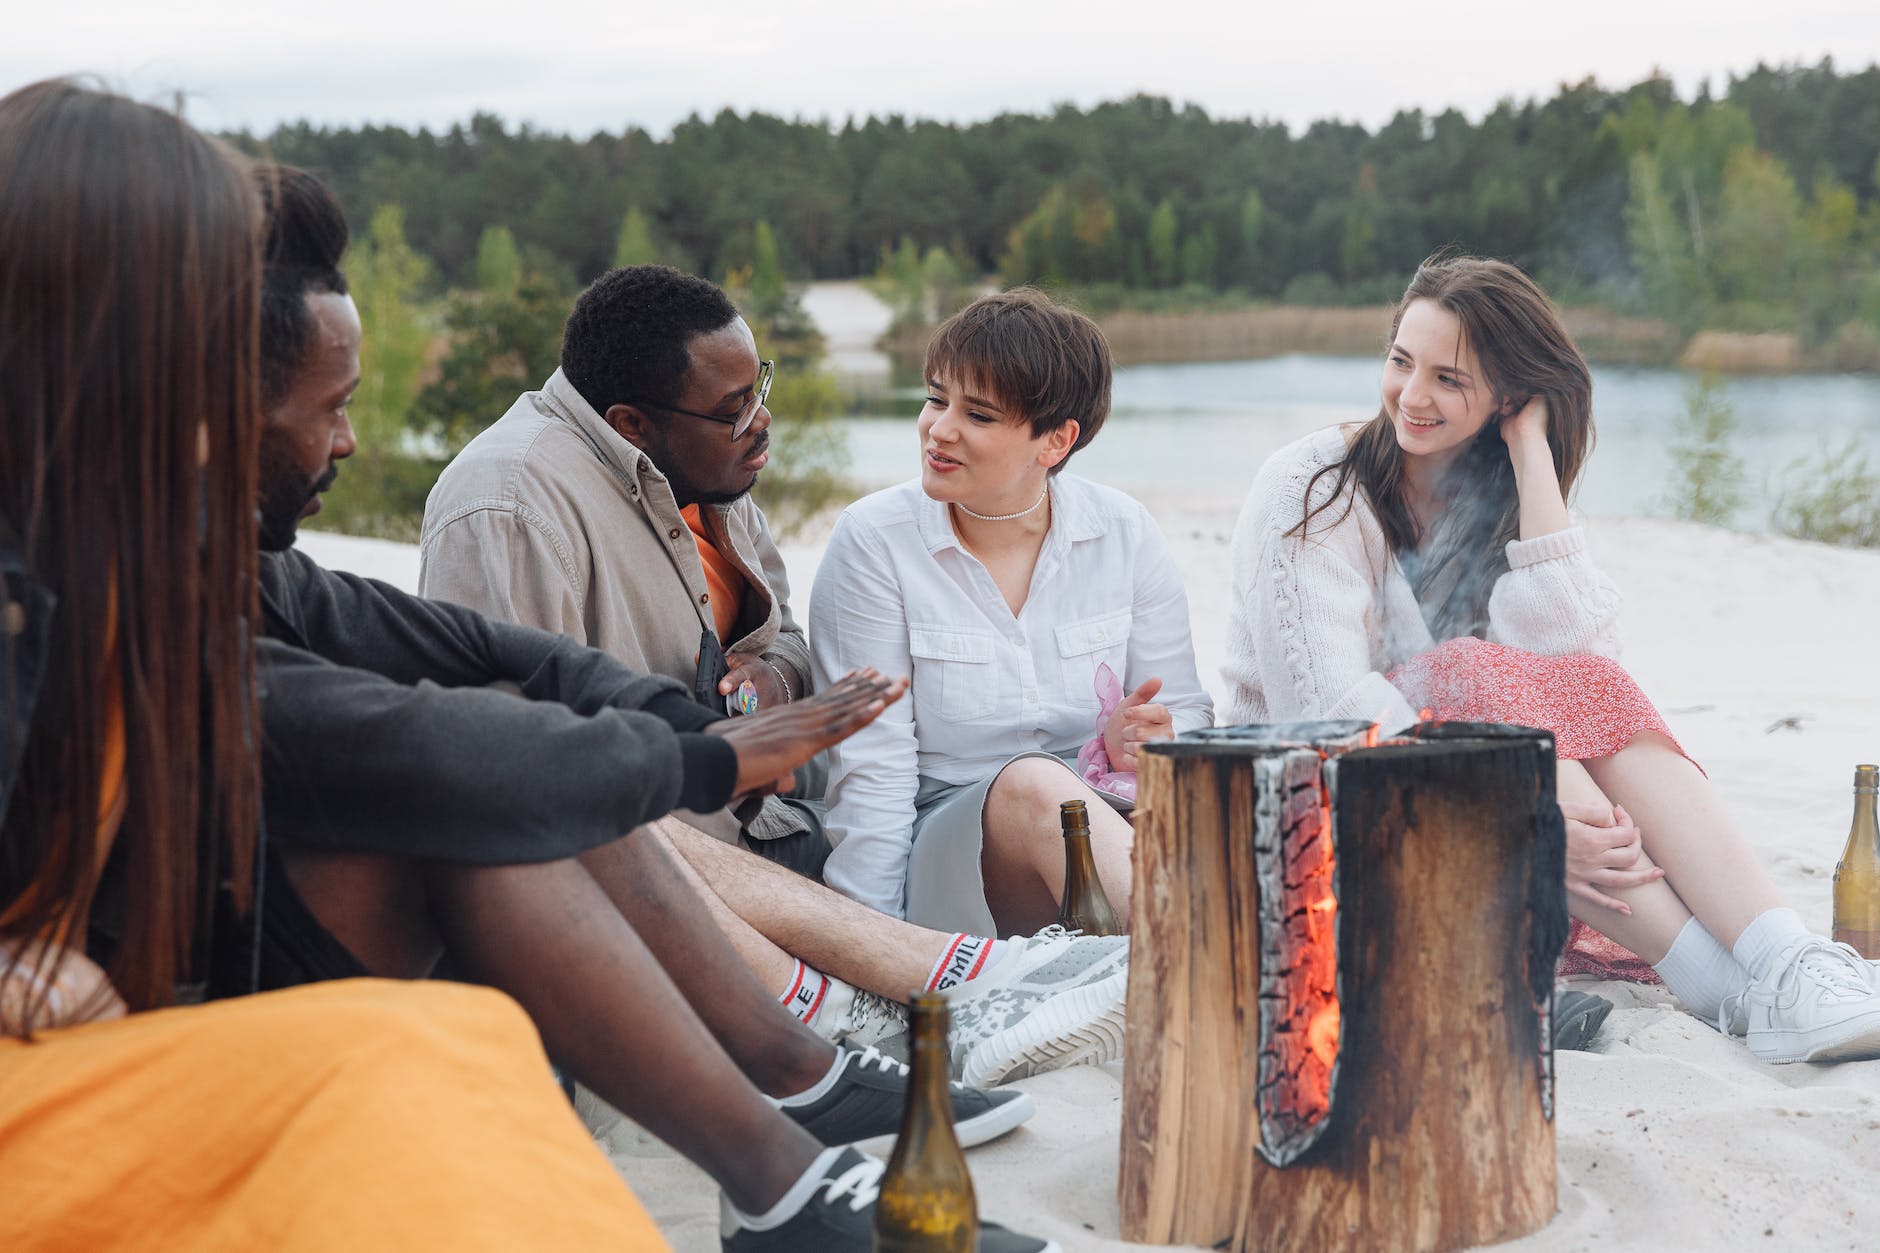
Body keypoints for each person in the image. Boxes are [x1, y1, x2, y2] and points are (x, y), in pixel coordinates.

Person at [248, 166, 1058, 1252]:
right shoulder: (496, 499)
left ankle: (797, 1103)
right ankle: (812, 1093)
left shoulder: (240, 564)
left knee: (525, 789)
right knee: (509, 802)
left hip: (725, 848)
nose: (349, 442)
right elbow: (433, 735)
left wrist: (705, 718)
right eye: (334, 410)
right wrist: (708, 761)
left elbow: (471, 645)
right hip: (585, 863)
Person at [0, 78, 669, 1250]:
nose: (229, 364)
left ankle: (782, 1099)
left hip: (84, 1035)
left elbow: (383, 658)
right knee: (406, 1052)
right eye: (203, 317)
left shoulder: (115, 544)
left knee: (453, 1032)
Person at [421, 265, 1130, 1081]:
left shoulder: (711, 477)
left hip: (773, 838)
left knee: (1037, 792)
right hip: (665, 873)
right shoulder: (511, 504)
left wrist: (774, 681)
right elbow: (518, 775)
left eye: (758, 386)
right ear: (632, 424)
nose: (763, 422)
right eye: (734, 410)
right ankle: (921, 997)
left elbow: (788, 640)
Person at [1222, 251, 1880, 1066]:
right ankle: (1731, 991)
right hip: (1325, 822)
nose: (1412, 395)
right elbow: (1329, 714)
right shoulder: (1313, 485)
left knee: (1574, 682)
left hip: (1476, 815)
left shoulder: (1496, 492)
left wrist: (1531, 451)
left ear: (1508, 394)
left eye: (1448, 379)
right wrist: (1522, 819)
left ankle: (1784, 961)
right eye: (1401, 361)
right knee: (1466, 671)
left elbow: (1582, 668)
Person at [808, 290, 1213, 962]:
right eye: (937, 398)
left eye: (978, 414)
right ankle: (1215, 960)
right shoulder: (874, 543)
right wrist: (875, 955)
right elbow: (866, 776)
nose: (938, 428)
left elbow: (1188, 718)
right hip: (949, 857)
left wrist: (1142, 744)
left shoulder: (1124, 533)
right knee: (1036, 786)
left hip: (1103, 832)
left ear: (1055, 440)